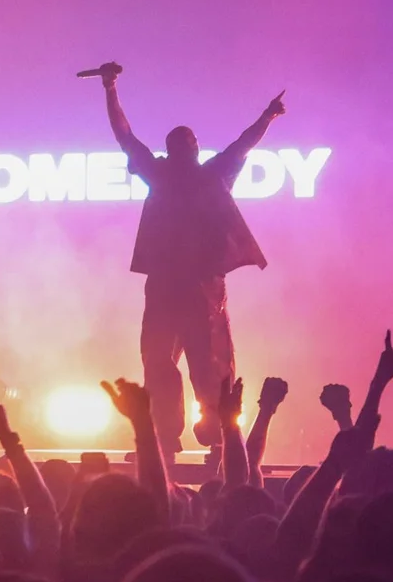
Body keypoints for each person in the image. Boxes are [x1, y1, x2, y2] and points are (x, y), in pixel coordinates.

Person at [96, 62, 284, 455]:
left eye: (189, 142)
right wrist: (110, 88)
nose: (188, 147)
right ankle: (178, 434)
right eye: (184, 143)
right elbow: (126, 136)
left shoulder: (181, 175)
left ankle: (208, 434)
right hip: (180, 285)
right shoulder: (180, 174)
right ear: (185, 149)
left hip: (191, 285)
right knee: (173, 359)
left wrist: (110, 87)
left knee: (200, 360)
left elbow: (126, 137)